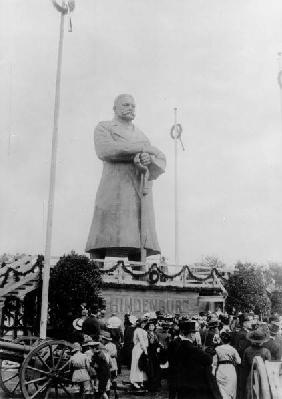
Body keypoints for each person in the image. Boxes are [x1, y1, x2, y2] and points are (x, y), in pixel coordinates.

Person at [85, 94, 166, 261]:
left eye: (133, 106)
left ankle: (141, 277)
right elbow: (105, 150)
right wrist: (142, 149)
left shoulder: (142, 135)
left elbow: (157, 159)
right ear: (115, 108)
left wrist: (148, 159)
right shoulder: (104, 128)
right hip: (114, 188)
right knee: (102, 235)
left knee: (138, 239)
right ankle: (93, 275)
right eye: (126, 105)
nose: (131, 108)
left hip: (138, 190)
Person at [174, 321, 214, 399]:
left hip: (182, 381)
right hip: (192, 382)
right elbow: (208, 360)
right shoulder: (191, 347)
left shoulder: (180, 345)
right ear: (191, 334)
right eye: (194, 333)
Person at [242, 329, 271, 399]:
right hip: (263, 376)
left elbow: (244, 364)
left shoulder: (247, 350)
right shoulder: (266, 351)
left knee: (250, 393)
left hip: (251, 374)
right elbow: (269, 366)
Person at [213, 331, 241, 399]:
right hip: (230, 369)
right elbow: (239, 361)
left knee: (221, 390)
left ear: (222, 340)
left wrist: (213, 373)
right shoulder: (233, 349)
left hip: (221, 369)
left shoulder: (217, 349)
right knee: (231, 390)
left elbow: (214, 363)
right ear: (230, 341)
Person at [130, 318, 149, 389]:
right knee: (137, 364)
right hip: (138, 348)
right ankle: (135, 381)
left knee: (141, 364)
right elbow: (141, 341)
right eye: (142, 323)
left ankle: (141, 380)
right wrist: (145, 350)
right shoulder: (138, 330)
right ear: (140, 323)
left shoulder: (143, 330)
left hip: (142, 349)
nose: (144, 324)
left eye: (144, 323)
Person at [146, 320, 161, 392]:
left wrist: (159, 347)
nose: (151, 327)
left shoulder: (156, 334)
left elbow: (158, 343)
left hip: (156, 353)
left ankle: (156, 385)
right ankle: (151, 386)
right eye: (150, 326)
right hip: (149, 352)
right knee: (150, 369)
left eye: (152, 326)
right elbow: (147, 344)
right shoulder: (146, 334)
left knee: (156, 369)